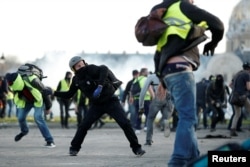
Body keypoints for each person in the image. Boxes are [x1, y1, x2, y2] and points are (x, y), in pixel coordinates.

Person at [150, 0, 224, 166]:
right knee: (188, 118)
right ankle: (178, 160)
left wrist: (161, 78)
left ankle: (194, 158)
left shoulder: (161, 12)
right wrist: (213, 42)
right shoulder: (182, 6)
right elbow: (218, 24)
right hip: (182, 69)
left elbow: (158, 52)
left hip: (168, 72)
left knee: (188, 117)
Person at [53, 56, 145, 156]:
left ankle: (137, 148)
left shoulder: (90, 69)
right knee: (83, 126)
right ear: (73, 69)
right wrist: (54, 93)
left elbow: (104, 68)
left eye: (82, 64)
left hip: (111, 101)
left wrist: (100, 86)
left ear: (85, 63)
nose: (81, 66)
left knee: (125, 124)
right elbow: (69, 94)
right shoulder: (76, 80)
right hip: (96, 105)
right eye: (78, 66)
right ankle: (74, 148)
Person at [5, 72, 55, 148]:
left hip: (38, 101)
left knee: (38, 118)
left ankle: (50, 141)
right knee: (20, 117)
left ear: (15, 81)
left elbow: (45, 92)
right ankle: (24, 131)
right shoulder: (15, 86)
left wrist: (48, 108)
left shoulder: (32, 80)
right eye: (8, 83)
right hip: (27, 102)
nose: (9, 84)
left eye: (10, 83)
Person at [139, 73, 173, 146]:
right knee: (166, 117)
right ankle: (164, 122)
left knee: (150, 119)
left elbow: (143, 90)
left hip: (157, 98)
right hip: (169, 99)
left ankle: (148, 140)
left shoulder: (152, 77)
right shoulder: (171, 75)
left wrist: (141, 105)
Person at [229, 62, 250, 136]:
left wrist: (236, 89)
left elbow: (230, 85)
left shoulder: (237, 74)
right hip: (242, 96)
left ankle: (232, 130)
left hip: (235, 96)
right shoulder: (247, 75)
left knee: (237, 114)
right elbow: (248, 87)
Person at [129, 68, 150, 134]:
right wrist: (153, 96)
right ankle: (146, 126)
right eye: (147, 72)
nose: (148, 73)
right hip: (145, 99)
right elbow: (149, 89)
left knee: (139, 113)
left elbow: (131, 90)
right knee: (148, 113)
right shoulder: (146, 79)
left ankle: (138, 128)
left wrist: (131, 97)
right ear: (143, 72)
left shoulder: (136, 79)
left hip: (137, 100)